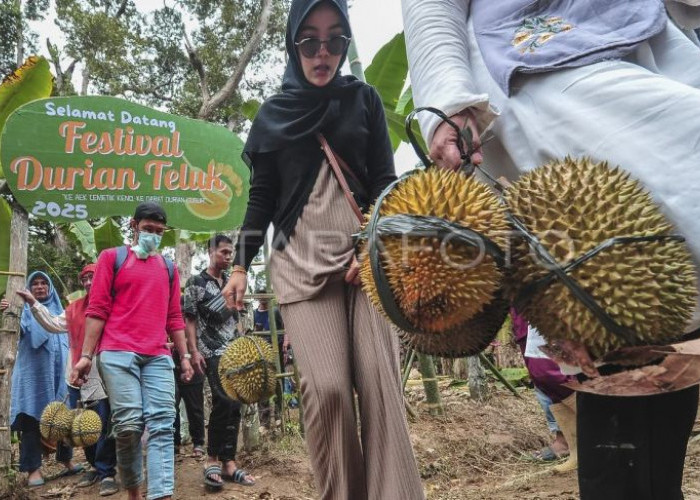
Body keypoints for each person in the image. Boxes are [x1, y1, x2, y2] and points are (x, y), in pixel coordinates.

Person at [402, 2, 700, 499]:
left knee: (664, 338)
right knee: (615, 342)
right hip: (539, 70)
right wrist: (447, 98)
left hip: (650, 47)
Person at [222, 1, 425, 498]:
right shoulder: (273, 115)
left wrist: (371, 247)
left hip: (366, 257)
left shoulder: (366, 100)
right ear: (293, 44)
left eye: (336, 40)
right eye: (309, 40)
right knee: (328, 390)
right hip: (299, 262)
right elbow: (262, 197)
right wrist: (240, 265)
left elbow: (384, 182)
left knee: (381, 384)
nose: (323, 52)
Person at [71, 202, 194, 500]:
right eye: (148, 229)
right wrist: (86, 356)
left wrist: (186, 357)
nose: (153, 235)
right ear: (134, 226)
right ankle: (134, 491)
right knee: (128, 427)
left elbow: (174, 316)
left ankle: (161, 494)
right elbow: (97, 309)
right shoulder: (112, 258)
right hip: (116, 352)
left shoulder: (168, 268)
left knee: (164, 423)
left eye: (159, 231)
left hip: (157, 354)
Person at [8, 264, 118, 495]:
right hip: (69, 376)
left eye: (93, 277)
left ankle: (106, 470)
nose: (89, 282)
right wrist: (26, 304)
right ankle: (95, 467)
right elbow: (51, 324)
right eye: (85, 278)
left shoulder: (114, 304)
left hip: (98, 375)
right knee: (75, 425)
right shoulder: (73, 309)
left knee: (101, 423)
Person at [183, 234, 255, 489]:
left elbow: (236, 317)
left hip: (235, 350)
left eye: (230, 253)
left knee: (235, 403)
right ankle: (211, 458)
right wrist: (193, 351)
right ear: (210, 252)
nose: (228, 257)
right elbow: (189, 319)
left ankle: (229, 461)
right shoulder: (196, 282)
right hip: (211, 351)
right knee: (223, 400)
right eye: (224, 252)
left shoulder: (231, 281)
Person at [2, 272, 81, 487]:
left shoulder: (62, 312)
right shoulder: (23, 312)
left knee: (63, 417)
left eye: (43, 283)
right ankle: (33, 469)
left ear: (50, 287)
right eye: (34, 284)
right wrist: (7, 311)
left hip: (59, 373)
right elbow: (12, 332)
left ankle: (66, 460)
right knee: (31, 419)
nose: (39, 287)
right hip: (32, 376)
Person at [253, 289, 286, 429]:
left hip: (275, 350)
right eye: (260, 295)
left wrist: (285, 344)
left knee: (278, 382)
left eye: (264, 295)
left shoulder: (275, 311)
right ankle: (264, 422)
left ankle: (279, 416)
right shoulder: (253, 314)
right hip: (259, 354)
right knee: (262, 386)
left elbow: (285, 328)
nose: (262, 298)